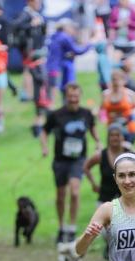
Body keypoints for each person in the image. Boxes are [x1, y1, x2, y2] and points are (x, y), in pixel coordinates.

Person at [41, 82, 101, 244]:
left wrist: (97, 141)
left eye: (76, 96)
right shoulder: (56, 115)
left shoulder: (86, 113)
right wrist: (45, 147)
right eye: (70, 97)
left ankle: (72, 227)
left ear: (79, 97)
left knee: (74, 192)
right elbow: (44, 132)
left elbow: (92, 128)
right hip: (60, 160)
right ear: (66, 97)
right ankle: (61, 227)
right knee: (61, 195)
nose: (73, 99)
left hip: (78, 159)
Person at [84, 123, 135, 257]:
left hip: (126, 200)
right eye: (112, 135)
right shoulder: (101, 155)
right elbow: (86, 167)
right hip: (105, 199)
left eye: (118, 135)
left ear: (123, 137)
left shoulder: (130, 154)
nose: (115, 138)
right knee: (106, 231)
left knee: (127, 230)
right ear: (108, 138)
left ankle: (123, 255)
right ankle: (111, 247)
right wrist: (93, 184)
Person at [12, 0, 48, 137]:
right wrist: (30, 25)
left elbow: (42, 31)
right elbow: (16, 26)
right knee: (34, 76)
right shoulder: (26, 14)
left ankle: (39, 118)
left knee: (40, 82)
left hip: (36, 53)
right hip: (30, 53)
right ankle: (27, 94)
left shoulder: (36, 14)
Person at [46, 19, 92, 105]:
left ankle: (58, 107)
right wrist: (88, 45)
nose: (73, 29)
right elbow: (78, 50)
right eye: (71, 27)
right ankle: (52, 110)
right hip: (58, 68)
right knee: (58, 90)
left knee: (54, 89)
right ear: (65, 27)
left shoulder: (54, 36)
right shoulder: (64, 37)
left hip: (50, 67)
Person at [101, 70, 135, 144]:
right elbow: (101, 109)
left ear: (123, 81)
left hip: (128, 128)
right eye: (114, 79)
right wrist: (103, 118)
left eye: (118, 79)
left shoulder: (129, 94)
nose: (116, 82)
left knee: (126, 152)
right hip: (112, 129)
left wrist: (133, 113)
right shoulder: (106, 94)